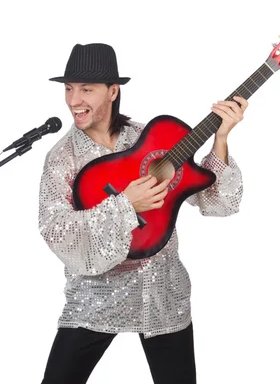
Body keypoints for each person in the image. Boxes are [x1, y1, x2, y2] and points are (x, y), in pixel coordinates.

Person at [38, 43, 247, 384]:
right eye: (68, 88)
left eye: (86, 89)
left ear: (113, 91)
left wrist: (221, 138)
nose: (74, 99)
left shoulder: (151, 138)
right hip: (95, 299)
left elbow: (218, 203)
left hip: (162, 294)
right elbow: (56, 230)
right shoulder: (63, 157)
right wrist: (124, 205)